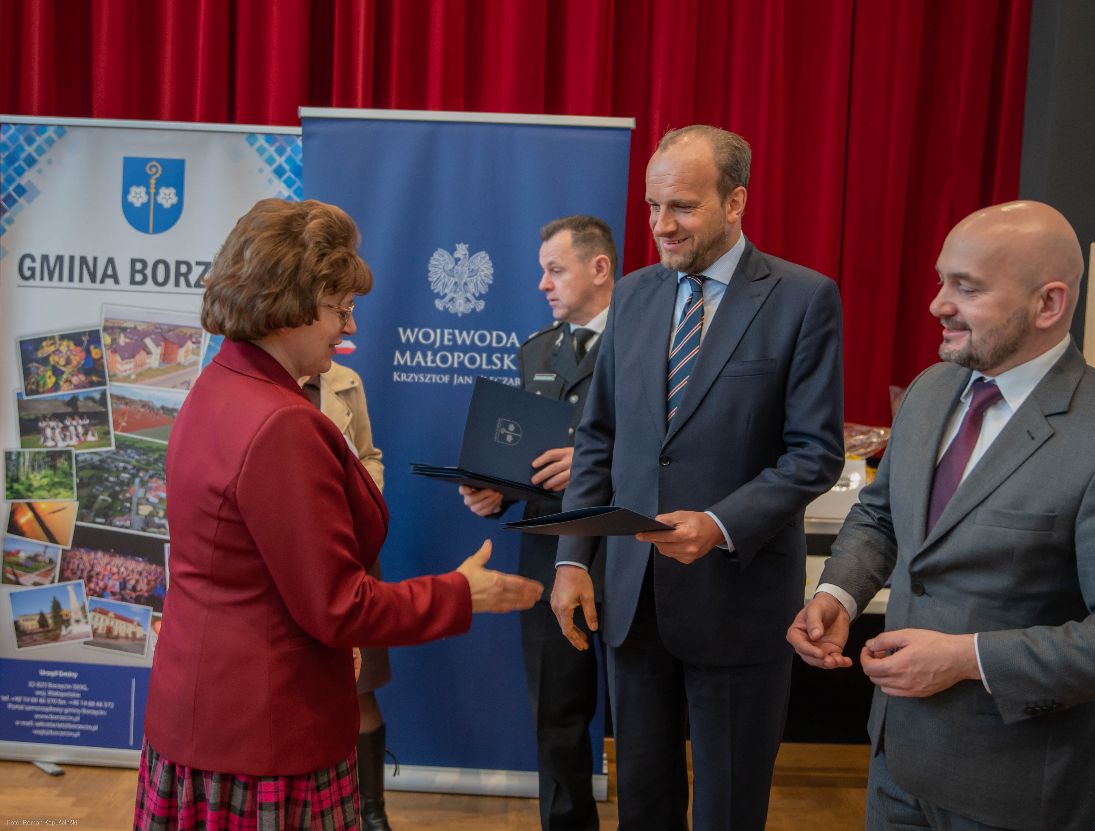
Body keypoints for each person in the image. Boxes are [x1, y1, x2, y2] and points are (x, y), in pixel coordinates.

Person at [789, 200, 1095, 831]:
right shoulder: (930, 390)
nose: (938, 304)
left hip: (1019, 787)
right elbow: (882, 516)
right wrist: (838, 596)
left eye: (967, 287)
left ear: (1048, 304)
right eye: (941, 280)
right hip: (895, 760)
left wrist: (967, 658)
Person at [138, 198, 542, 830]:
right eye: (339, 307)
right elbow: (338, 607)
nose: (348, 325)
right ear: (289, 304)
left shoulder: (215, 385)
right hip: (265, 731)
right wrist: (462, 594)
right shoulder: (283, 424)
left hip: (199, 712)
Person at [550, 125, 845, 831]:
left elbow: (814, 453)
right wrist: (572, 558)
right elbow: (599, 438)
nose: (661, 225)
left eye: (681, 206)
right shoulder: (634, 294)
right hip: (632, 602)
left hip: (738, 603)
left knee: (728, 810)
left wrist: (718, 524)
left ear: (735, 202)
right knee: (643, 807)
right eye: (653, 207)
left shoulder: (803, 298)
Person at [459, 215, 616, 831]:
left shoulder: (646, 341)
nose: (543, 284)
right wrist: (497, 493)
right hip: (549, 549)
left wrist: (595, 463)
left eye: (555, 270)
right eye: (542, 271)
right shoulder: (536, 350)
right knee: (555, 712)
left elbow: (675, 449)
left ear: (599, 268)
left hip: (626, 549)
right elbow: (526, 455)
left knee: (643, 715)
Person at [300, 360, 393, 830]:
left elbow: (370, 455)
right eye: (338, 320)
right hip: (289, 558)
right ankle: (311, 810)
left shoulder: (345, 380)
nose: (347, 327)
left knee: (360, 690)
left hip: (349, 552)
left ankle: (372, 812)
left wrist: (361, 498)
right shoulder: (257, 382)